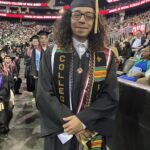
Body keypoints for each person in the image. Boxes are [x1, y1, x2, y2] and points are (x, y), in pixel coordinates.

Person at [36, 0, 119, 150]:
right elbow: (43, 94)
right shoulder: (52, 53)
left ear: (95, 22)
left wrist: (82, 121)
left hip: (91, 131)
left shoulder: (106, 57)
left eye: (88, 16)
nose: (82, 20)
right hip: (61, 132)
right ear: (68, 19)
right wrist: (72, 124)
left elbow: (110, 97)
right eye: (77, 15)